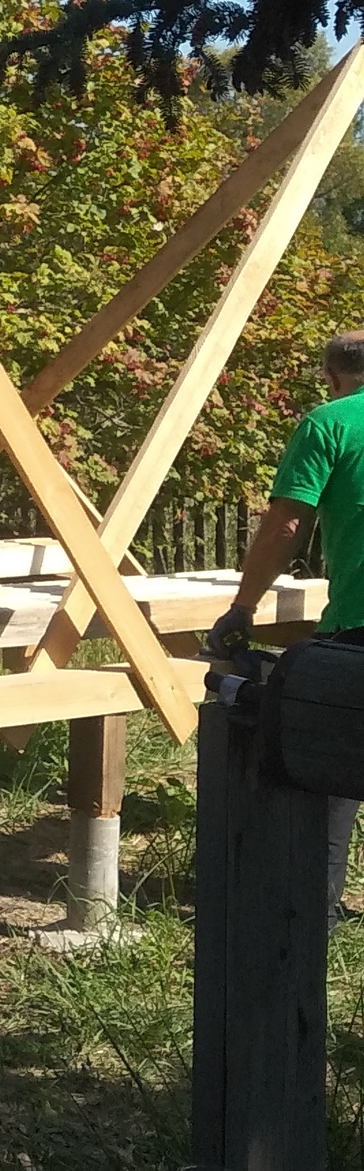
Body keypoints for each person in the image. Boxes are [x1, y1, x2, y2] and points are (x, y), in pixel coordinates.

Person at [213, 330, 364, 919]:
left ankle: (310, 915)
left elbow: (287, 526)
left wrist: (243, 609)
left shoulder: (330, 423)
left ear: (331, 377)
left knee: (328, 761)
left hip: (356, 626)